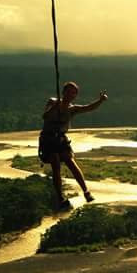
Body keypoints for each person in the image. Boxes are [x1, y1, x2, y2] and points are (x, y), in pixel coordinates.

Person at [38, 81, 108, 209]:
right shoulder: (52, 102)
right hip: (48, 139)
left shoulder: (72, 109)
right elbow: (45, 116)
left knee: (71, 163)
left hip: (61, 139)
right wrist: (56, 107)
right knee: (56, 166)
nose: (71, 95)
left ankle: (86, 191)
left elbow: (88, 107)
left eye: (73, 93)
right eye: (69, 92)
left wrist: (100, 101)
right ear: (63, 92)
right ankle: (60, 197)